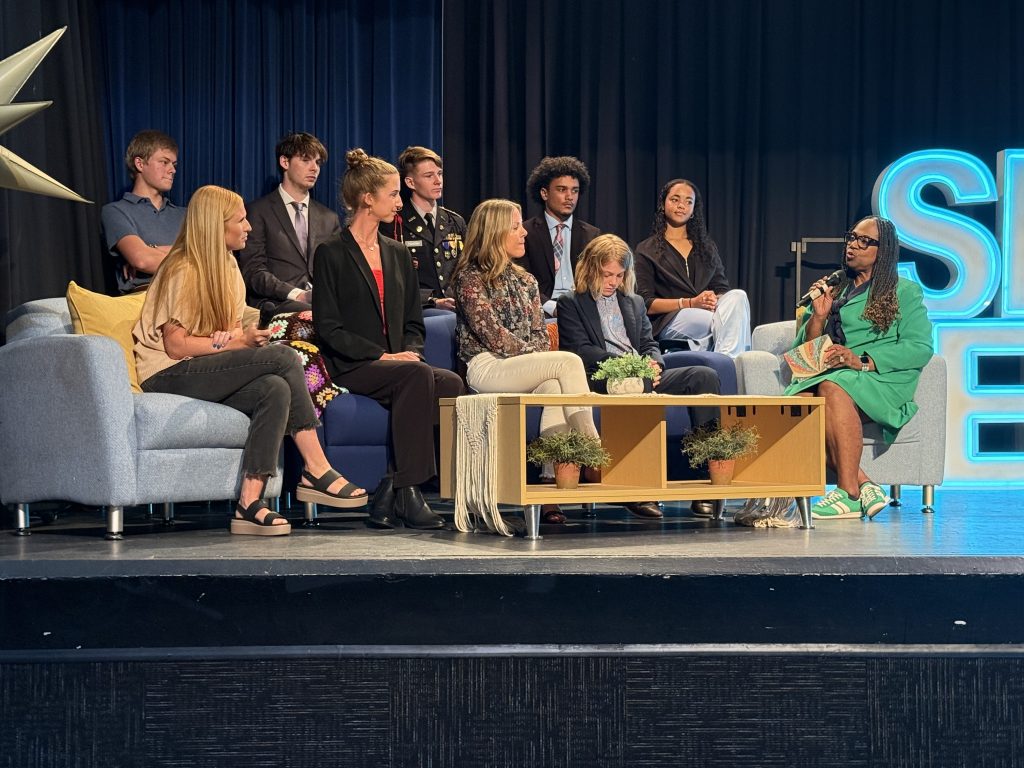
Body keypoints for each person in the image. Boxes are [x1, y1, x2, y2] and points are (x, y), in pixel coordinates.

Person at [133, 185, 367, 537]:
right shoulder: (182, 268)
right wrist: (238, 341)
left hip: (204, 367)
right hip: (167, 372)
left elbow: (234, 320)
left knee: (274, 389)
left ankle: (249, 502)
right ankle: (316, 467)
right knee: (284, 358)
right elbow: (176, 346)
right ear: (216, 225)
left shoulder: (227, 264)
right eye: (240, 220)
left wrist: (268, 325)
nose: (249, 227)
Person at [313, 149, 466, 530]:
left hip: (397, 364)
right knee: (418, 376)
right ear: (368, 198)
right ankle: (410, 492)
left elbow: (414, 322)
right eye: (393, 194)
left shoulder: (397, 253)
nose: (399, 202)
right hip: (352, 364)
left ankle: (391, 486)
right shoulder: (331, 252)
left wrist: (408, 352)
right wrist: (384, 357)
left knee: (450, 383)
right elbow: (329, 327)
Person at [453, 198, 601, 525]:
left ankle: (550, 482)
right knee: (567, 363)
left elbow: (540, 334)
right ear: (494, 233)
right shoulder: (469, 277)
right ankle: (593, 450)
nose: (524, 233)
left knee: (554, 386)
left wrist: (536, 355)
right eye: (516, 227)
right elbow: (493, 335)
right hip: (486, 366)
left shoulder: (527, 281)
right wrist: (535, 355)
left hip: (523, 364)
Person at [557, 234, 721, 519]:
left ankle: (706, 481)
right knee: (638, 384)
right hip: (601, 377)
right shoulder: (571, 302)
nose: (613, 282)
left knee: (703, 377)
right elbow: (581, 350)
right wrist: (631, 368)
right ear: (591, 269)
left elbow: (648, 344)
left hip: (642, 375)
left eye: (619, 275)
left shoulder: (632, 302)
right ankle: (635, 487)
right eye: (607, 275)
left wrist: (655, 364)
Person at [786, 215, 934, 520]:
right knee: (796, 408)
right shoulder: (836, 288)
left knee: (832, 386)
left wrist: (863, 360)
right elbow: (808, 351)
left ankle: (848, 493)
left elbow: (920, 347)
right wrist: (818, 316)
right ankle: (865, 484)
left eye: (864, 241)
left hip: (880, 379)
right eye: (852, 238)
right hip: (834, 376)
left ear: (884, 250)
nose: (853, 245)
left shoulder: (904, 291)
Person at [634, 179, 751, 357]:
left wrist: (711, 299)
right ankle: (730, 363)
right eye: (675, 199)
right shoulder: (646, 249)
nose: (682, 205)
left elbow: (721, 289)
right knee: (725, 322)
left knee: (738, 296)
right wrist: (690, 302)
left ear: (694, 210)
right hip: (671, 319)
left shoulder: (706, 247)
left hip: (708, 312)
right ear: (663, 205)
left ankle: (724, 359)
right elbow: (646, 303)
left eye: (688, 202)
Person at [237, 132, 342, 325]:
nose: (314, 168)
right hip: (276, 304)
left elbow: (337, 271)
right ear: (284, 162)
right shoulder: (257, 212)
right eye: (306, 160)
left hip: (322, 305)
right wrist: (297, 294)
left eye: (318, 162)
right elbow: (253, 271)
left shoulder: (329, 218)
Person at [380, 146, 466, 311]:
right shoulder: (394, 222)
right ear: (410, 182)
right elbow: (391, 279)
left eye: (439, 174)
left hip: (456, 305)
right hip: (419, 308)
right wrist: (431, 300)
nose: (438, 181)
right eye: (429, 176)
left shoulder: (455, 221)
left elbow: (467, 269)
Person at [102, 130, 185, 293]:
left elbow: (214, 257)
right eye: (164, 162)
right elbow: (142, 260)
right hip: (146, 298)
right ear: (140, 164)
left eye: (174, 165)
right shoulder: (115, 211)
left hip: (191, 295)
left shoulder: (186, 214)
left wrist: (153, 249)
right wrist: (188, 252)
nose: (172, 170)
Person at [517, 156, 601, 315]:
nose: (570, 197)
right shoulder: (526, 233)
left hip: (581, 310)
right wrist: (552, 308)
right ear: (544, 193)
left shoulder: (591, 235)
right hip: (540, 309)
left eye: (575, 190)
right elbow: (520, 281)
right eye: (562, 190)